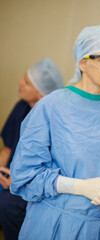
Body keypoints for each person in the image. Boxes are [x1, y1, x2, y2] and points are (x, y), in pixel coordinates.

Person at [10, 25, 100, 240]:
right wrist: (79, 186)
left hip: (98, 227)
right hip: (52, 223)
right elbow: (25, 174)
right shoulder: (52, 106)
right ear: (82, 63)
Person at [0, 58, 63, 240]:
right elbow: (7, 150)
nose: (20, 82)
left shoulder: (54, 121)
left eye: (27, 82)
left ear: (41, 93)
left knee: (6, 204)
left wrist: (18, 180)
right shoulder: (21, 107)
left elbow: (51, 171)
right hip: (9, 178)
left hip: (35, 187)